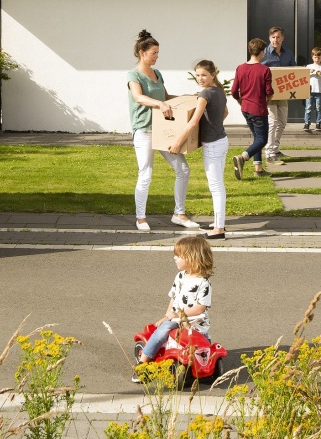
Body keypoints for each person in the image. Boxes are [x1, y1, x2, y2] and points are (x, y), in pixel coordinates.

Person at [127, 30, 198, 232]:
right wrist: (159, 104)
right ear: (142, 52)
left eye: (158, 53)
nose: (157, 56)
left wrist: (187, 98)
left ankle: (179, 214)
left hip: (163, 129)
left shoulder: (157, 74)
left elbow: (165, 97)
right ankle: (141, 218)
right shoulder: (133, 75)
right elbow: (138, 97)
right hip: (144, 130)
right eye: (154, 53)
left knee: (183, 169)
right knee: (146, 174)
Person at [133, 235, 214, 380]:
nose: (174, 258)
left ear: (192, 259)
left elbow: (200, 308)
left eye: (178, 256)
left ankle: (205, 364)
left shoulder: (203, 283)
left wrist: (180, 314)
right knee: (161, 332)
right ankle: (142, 363)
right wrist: (168, 316)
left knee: (204, 343)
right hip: (176, 321)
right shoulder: (180, 277)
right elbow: (174, 298)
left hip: (195, 322)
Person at [169, 60, 228, 240]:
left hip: (213, 145)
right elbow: (225, 112)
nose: (200, 78)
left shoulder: (205, 94)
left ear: (212, 75)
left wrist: (177, 143)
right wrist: (214, 125)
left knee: (216, 187)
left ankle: (219, 229)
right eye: (197, 75)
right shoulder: (219, 91)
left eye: (204, 75)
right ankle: (219, 222)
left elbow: (193, 122)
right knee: (218, 185)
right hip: (222, 140)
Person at [230, 38, 273, 180]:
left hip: (246, 109)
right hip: (258, 109)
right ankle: (242, 157)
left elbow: (234, 91)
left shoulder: (240, 68)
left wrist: (240, 101)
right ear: (261, 52)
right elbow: (269, 91)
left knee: (257, 138)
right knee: (262, 140)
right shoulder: (264, 70)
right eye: (264, 52)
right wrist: (267, 101)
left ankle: (258, 169)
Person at [261, 26, 296, 166]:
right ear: (269, 38)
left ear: (282, 38)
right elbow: (258, 72)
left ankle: (275, 149)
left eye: (278, 37)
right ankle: (269, 154)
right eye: (273, 37)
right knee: (273, 122)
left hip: (283, 93)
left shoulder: (288, 54)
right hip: (268, 95)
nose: (275, 40)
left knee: (282, 122)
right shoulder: (264, 53)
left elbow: (294, 71)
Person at [305, 47, 321, 132]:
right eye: (315, 57)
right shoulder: (309, 66)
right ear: (312, 57)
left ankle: (318, 123)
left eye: (318, 57)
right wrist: (309, 72)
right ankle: (307, 123)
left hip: (319, 91)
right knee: (308, 107)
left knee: (318, 108)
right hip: (309, 90)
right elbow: (303, 77)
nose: (317, 59)